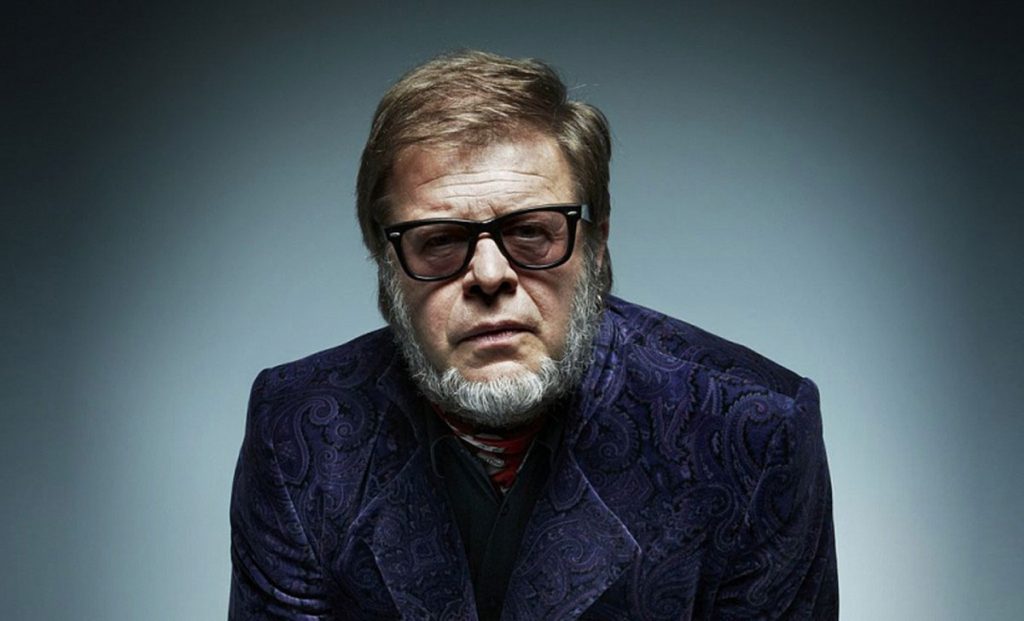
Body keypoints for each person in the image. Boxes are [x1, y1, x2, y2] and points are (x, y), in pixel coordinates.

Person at [229, 50, 838, 620]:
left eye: (531, 232)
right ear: (385, 262)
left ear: (597, 244)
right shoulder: (298, 429)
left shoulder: (754, 429)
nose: (490, 275)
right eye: (439, 240)